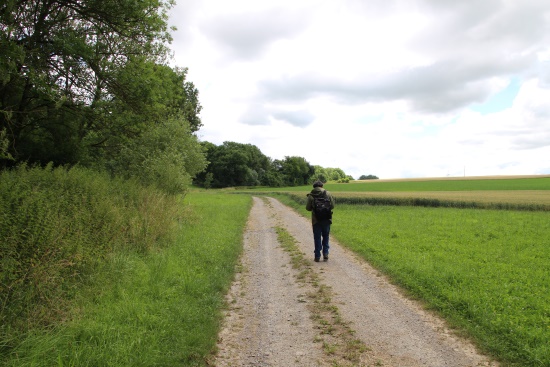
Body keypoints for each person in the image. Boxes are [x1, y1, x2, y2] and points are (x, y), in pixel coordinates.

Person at [306, 180, 335, 262]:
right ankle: (325, 254)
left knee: (317, 237)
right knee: (326, 236)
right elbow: (332, 206)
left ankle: (317, 256)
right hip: (326, 219)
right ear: (322, 186)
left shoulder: (311, 195)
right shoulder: (328, 193)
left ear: (314, 187)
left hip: (316, 220)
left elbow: (308, 208)